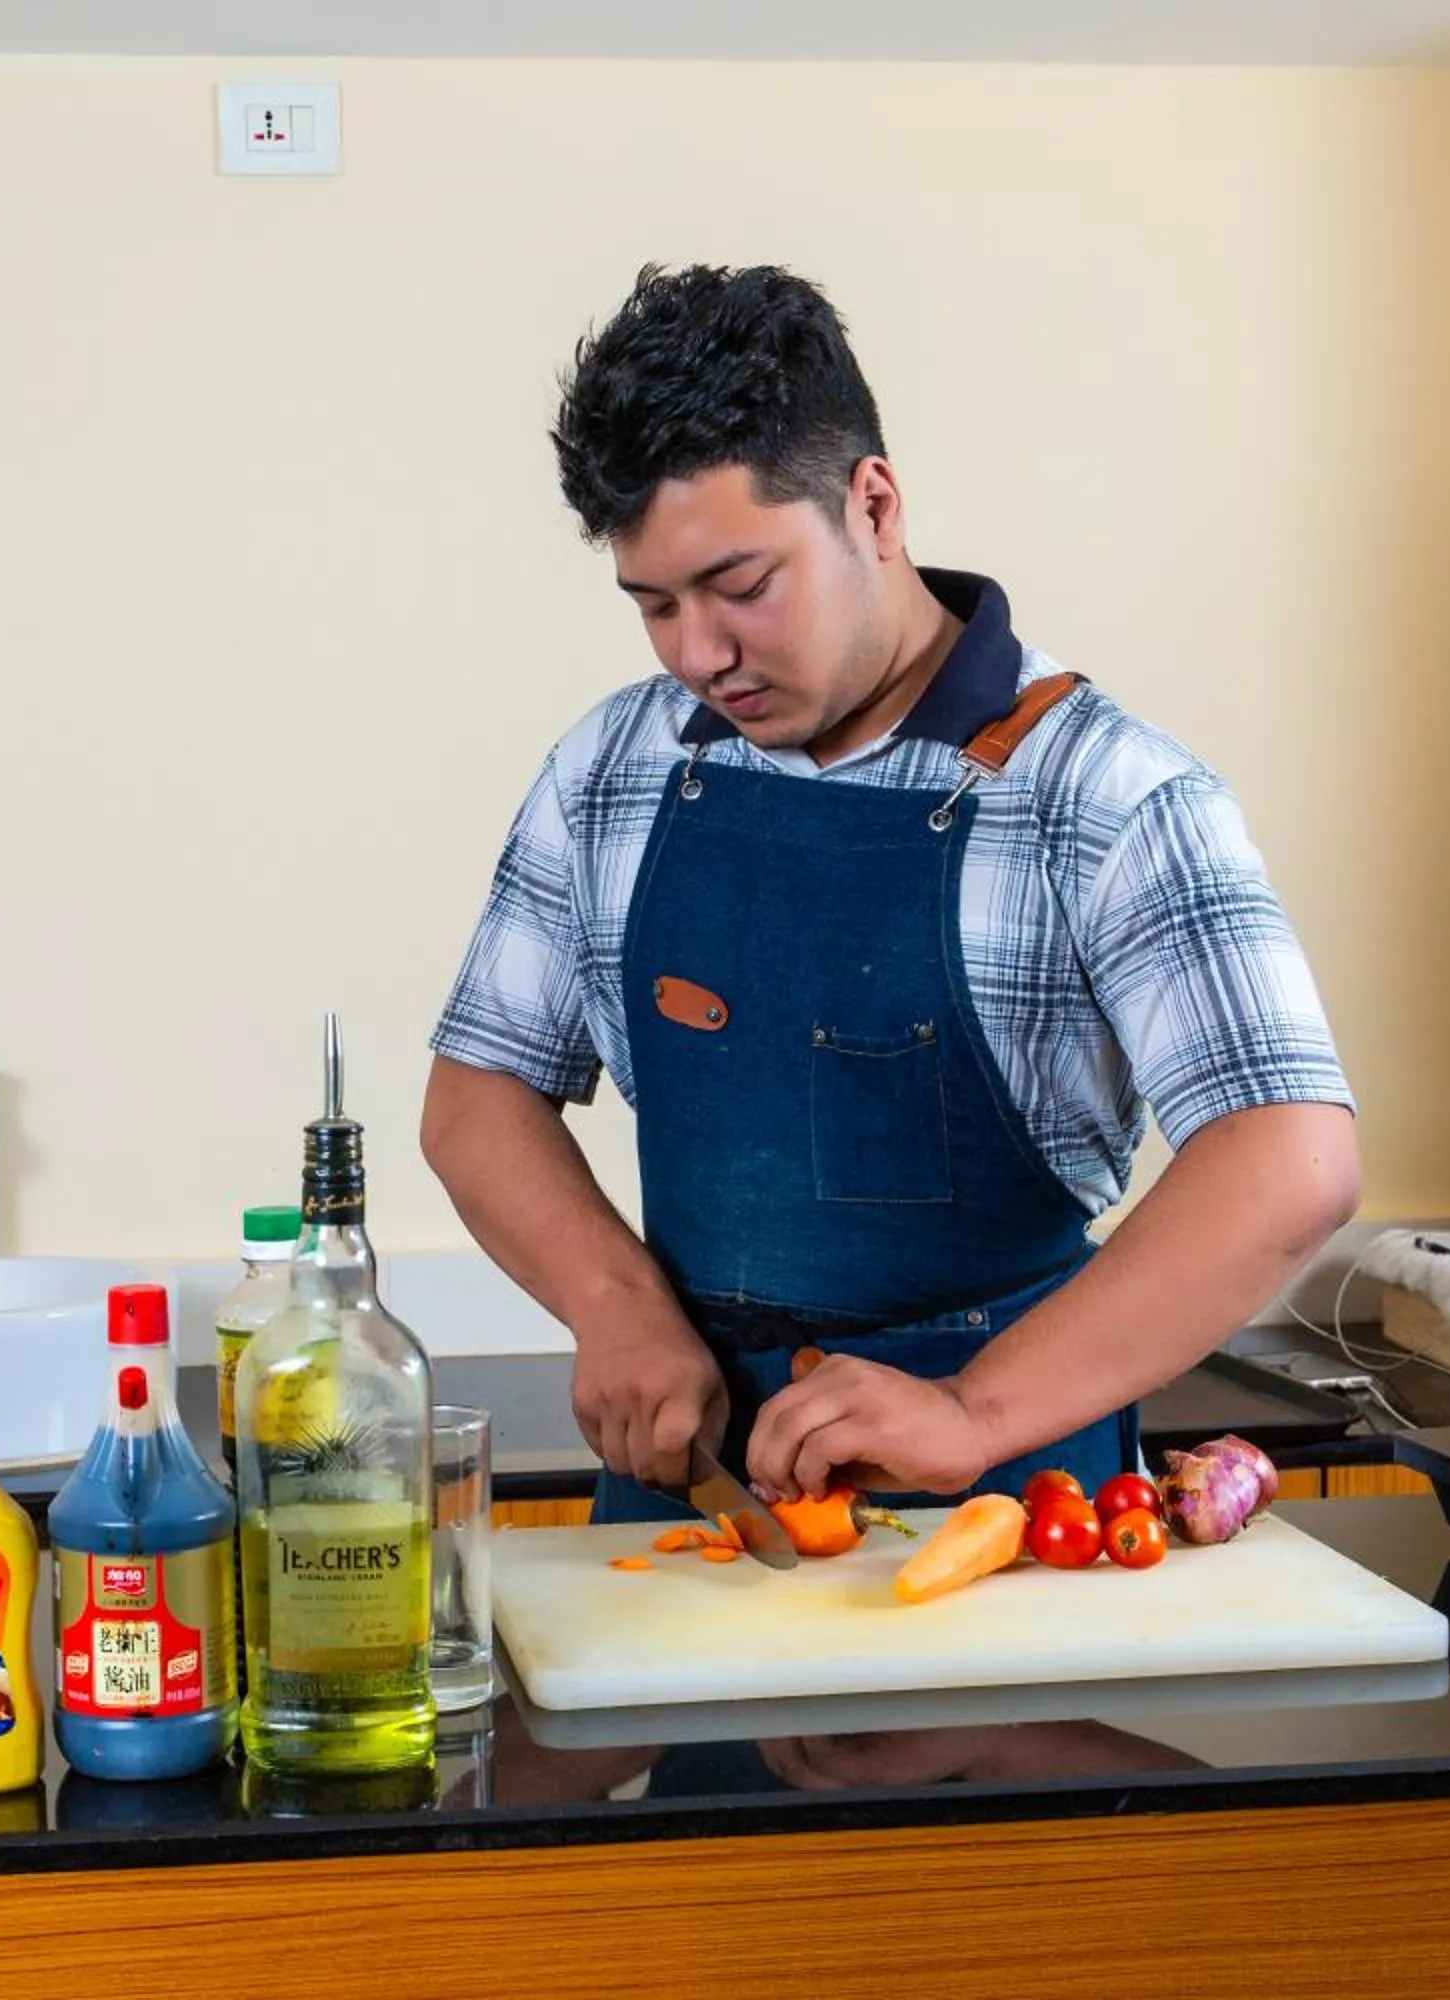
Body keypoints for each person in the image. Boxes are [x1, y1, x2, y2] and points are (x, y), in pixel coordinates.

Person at [420, 264, 1360, 1523]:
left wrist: (971, 1411)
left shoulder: (1108, 794)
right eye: (655, 605)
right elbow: (476, 1095)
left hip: (1017, 1519)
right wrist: (615, 1301)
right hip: (694, 1503)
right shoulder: (613, 768)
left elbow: (1292, 1159)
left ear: (873, 505)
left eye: (742, 586)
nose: (700, 653)